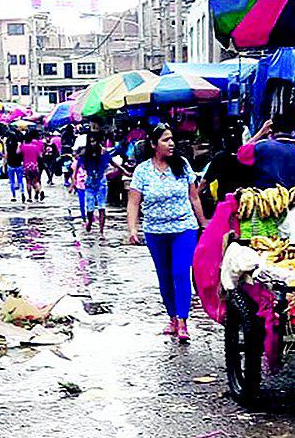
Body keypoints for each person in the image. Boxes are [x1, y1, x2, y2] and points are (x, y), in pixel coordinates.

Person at [128, 123, 207, 341]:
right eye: (165, 140)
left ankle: (183, 321)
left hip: (184, 227)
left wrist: (203, 224)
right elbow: (134, 202)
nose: (171, 143)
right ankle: (172, 317)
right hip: (155, 231)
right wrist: (133, 228)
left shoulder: (182, 165)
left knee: (181, 272)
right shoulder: (142, 171)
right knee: (164, 276)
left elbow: (194, 197)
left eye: (172, 139)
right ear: (154, 144)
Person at [236, 111, 295, 190]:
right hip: (293, 201)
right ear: (293, 131)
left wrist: (261, 132)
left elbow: (241, 154)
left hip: (265, 200)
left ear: (271, 131)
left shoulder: (261, 147)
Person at [76, 129, 113, 238]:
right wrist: (74, 181)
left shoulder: (104, 153)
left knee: (102, 207)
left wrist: (124, 170)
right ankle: (90, 223)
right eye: (91, 141)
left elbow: (112, 162)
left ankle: (101, 230)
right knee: (90, 208)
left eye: (95, 141)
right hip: (89, 184)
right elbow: (77, 166)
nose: (93, 144)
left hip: (101, 183)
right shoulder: (85, 154)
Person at [21, 130, 46, 202]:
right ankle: (40, 191)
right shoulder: (37, 145)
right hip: (35, 165)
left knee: (28, 181)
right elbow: (41, 155)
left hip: (26, 166)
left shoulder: (23, 146)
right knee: (36, 181)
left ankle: (29, 197)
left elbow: (18, 152)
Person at [5, 131, 25, 202]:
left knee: (12, 181)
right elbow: (18, 152)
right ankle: (22, 192)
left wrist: (5, 163)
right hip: (18, 164)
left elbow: (6, 155)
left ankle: (13, 196)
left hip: (10, 165)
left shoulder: (7, 145)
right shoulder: (18, 145)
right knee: (20, 180)